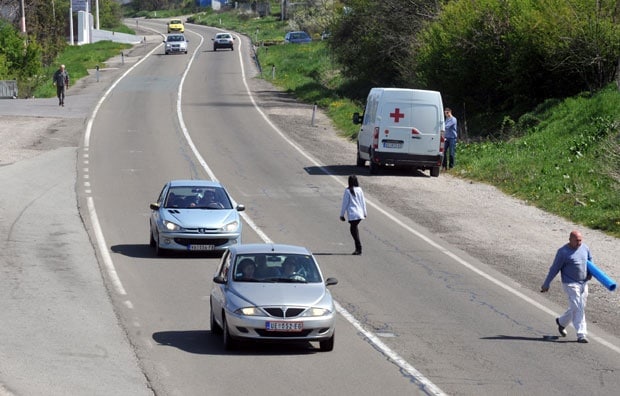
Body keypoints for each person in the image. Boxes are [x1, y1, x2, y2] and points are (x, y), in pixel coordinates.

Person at [541, 230, 593, 343]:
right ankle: (581, 334)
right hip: (570, 283)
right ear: (570, 240)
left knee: (579, 307)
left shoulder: (585, 248)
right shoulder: (563, 252)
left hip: (583, 283)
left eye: (580, 240)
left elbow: (590, 261)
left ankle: (561, 322)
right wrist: (546, 283)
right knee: (578, 307)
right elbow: (554, 269)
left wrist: (590, 273)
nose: (579, 243)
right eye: (576, 241)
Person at [339, 175, 367, 255]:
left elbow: (345, 203)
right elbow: (363, 202)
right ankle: (358, 248)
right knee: (354, 229)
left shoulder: (348, 191)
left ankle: (358, 248)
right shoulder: (359, 189)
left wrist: (342, 214)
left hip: (353, 214)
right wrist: (365, 212)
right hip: (360, 213)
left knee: (353, 230)